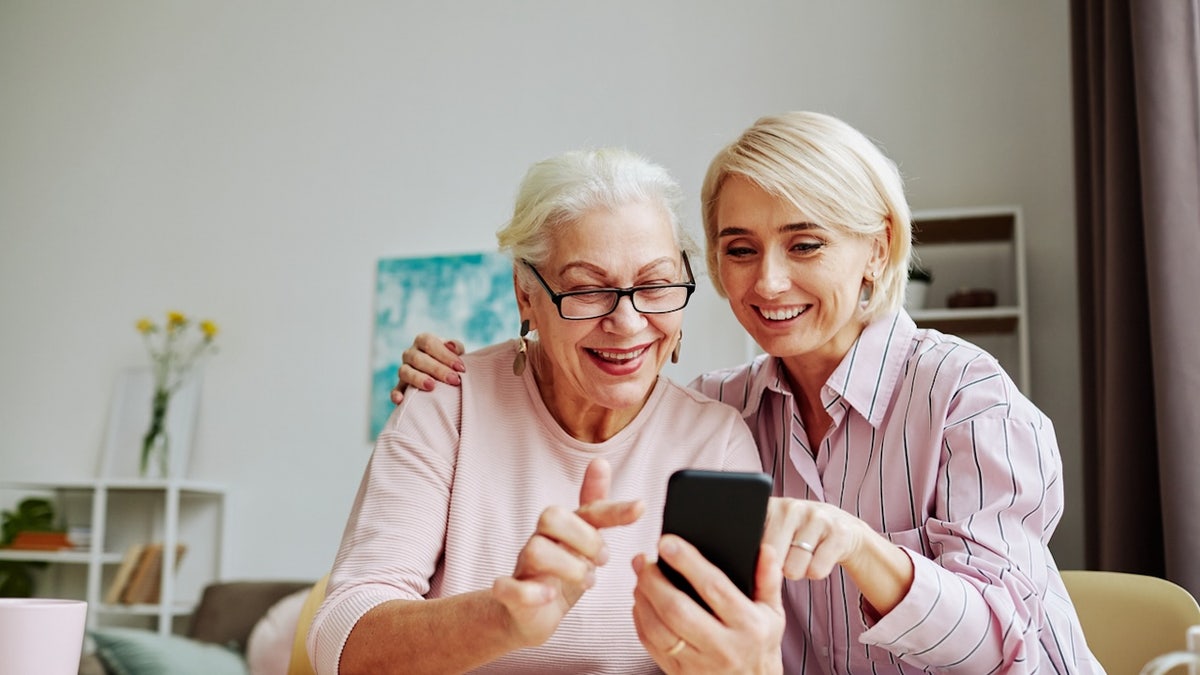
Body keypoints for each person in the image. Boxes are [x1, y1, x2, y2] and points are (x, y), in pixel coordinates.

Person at [393, 111, 1101, 673]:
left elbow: (997, 641)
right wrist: (451, 370)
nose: (766, 281)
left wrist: (863, 546)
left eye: (805, 244)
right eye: (739, 249)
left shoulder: (969, 398)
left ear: (879, 248)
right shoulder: (721, 412)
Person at [308, 147, 770, 675]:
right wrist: (501, 618)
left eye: (653, 285)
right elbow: (338, 644)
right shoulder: (448, 403)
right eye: (586, 289)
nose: (627, 322)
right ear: (525, 294)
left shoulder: (716, 437)